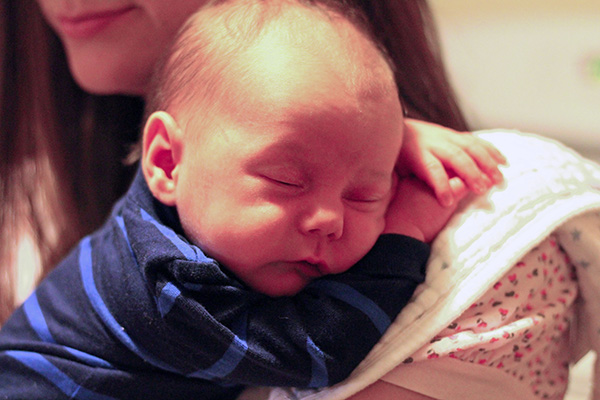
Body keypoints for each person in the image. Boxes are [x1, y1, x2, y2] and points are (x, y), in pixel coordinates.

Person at [0, 1, 507, 398]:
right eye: (286, 181)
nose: (329, 219)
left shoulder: (189, 195)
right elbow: (315, 353)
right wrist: (404, 234)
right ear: (167, 163)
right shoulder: (161, 282)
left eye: (365, 194)